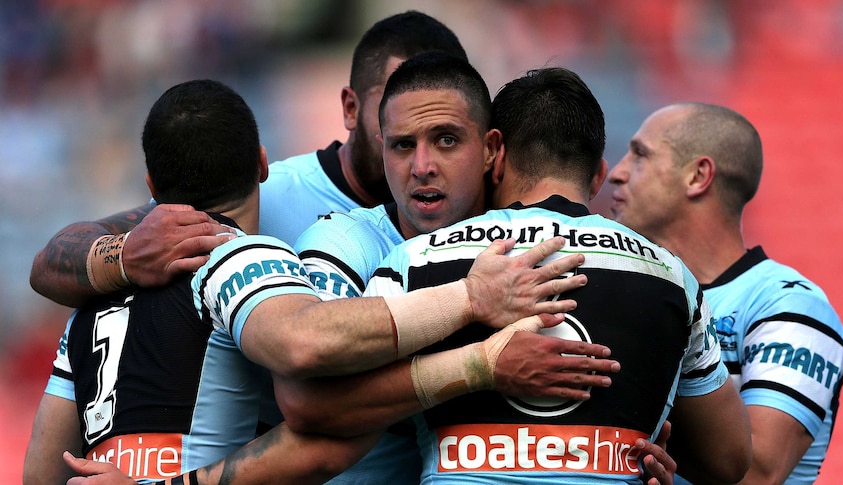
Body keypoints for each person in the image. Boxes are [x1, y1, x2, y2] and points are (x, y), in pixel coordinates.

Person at [23, 75, 595, 485]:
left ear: (151, 181)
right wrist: (472, 299)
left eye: (446, 140)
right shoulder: (240, 258)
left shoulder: (88, 310)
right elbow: (307, 351)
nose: (422, 164)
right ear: (263, 166)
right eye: (403, 144)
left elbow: (43, 473)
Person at [360, 66, 754, 484]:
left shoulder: (416, 259)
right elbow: (729, 460)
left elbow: (336, 405)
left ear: (496, 157)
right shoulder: (670, 276)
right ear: (598, 174)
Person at [28, 10, 471, 308]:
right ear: (351, 108)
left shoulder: (484, 209)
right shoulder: (264, 194)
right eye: (393, 101)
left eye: (445, 127)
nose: (418, 141)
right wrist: (123, 256)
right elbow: (50, 263)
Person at [607, 102, 843, 484]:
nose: (616, 174)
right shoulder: (636, 291)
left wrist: (613, 418)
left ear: (697, 176)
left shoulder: (789, 306)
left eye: (639, 155)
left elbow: (758, 471)